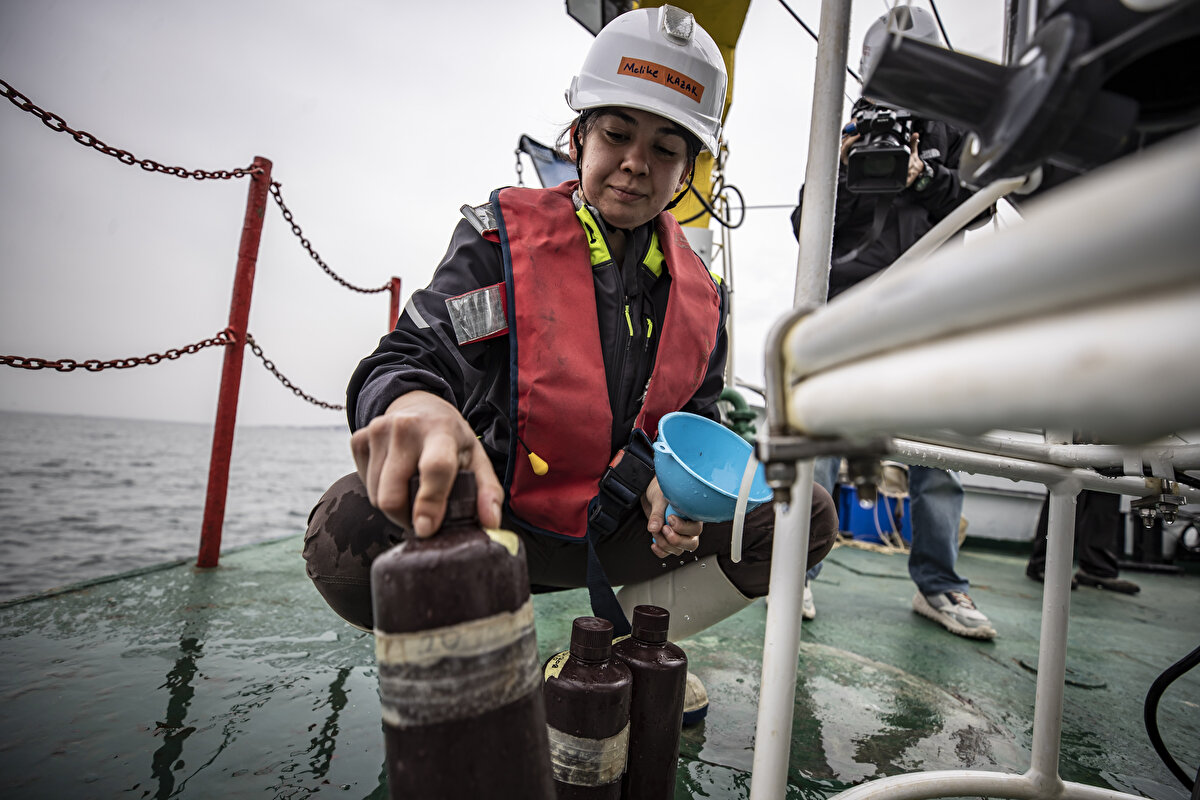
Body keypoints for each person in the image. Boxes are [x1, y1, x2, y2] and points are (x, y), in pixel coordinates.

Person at [304, 6, 838, 657]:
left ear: (688, 170)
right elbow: (413, 356)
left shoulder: (704, 297)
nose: (637, 163)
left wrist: (671, 492)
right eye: (617, 133)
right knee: (346, 534)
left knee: (801, 515)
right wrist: (421, 409)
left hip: (618, 531)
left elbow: (698, 423)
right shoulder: (499, 243)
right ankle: (480, 637)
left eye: (666, 148)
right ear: (577, 138)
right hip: (500, 520)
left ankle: (625, 645)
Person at [791, 6, 996, 640]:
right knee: (821, 442)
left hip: (926, 308)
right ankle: (799, 569)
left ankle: (939, 585)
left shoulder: (954, 133)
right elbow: (806, 225)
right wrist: (850, 172)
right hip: (851, 305)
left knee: (937, 453)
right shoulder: (845, 130)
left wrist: (923, 174)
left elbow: (979, 208)